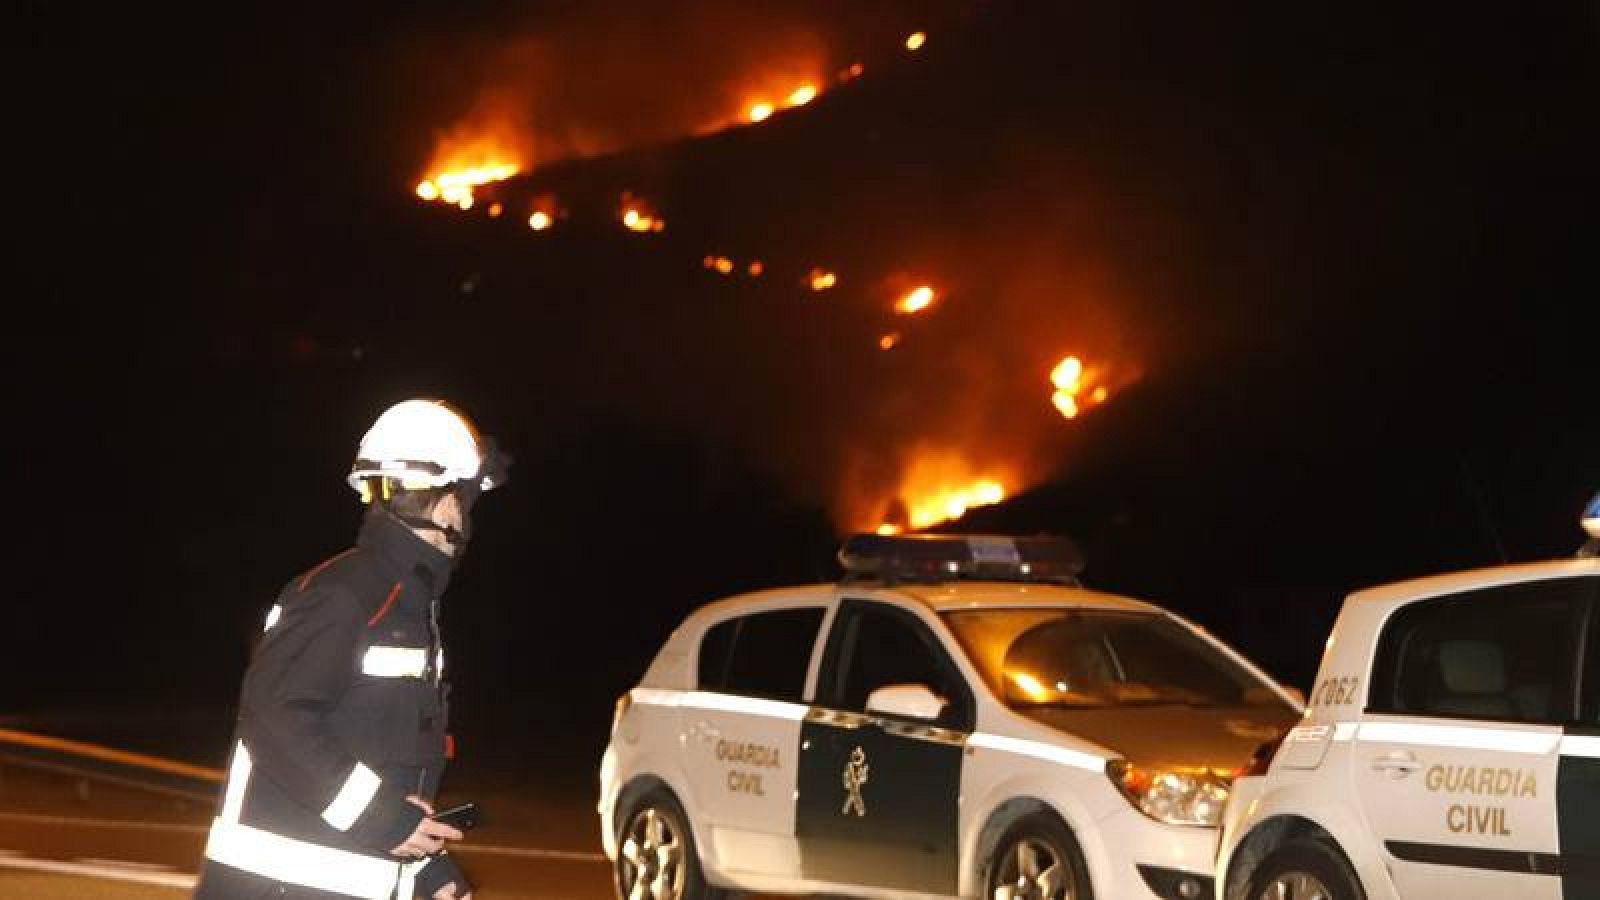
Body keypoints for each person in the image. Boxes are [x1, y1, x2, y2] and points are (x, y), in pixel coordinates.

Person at [194, 398, 509, 900]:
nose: (465, 516)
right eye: (465, 499)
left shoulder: (407, 606)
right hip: (276, 889)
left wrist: (426, 867)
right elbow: (273, 717)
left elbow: (376, 761)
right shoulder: (345, 593)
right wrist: (385, 819)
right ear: (445, 501)